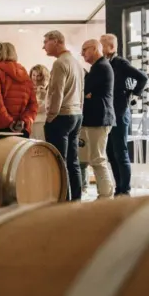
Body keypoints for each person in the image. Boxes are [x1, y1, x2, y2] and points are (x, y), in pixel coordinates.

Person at [100, 33, 148, 196]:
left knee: (120, 152)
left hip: (120, 113)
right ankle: (119, 188)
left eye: (102, 45)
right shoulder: (106, 64)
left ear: (111, 47)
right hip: (109, 114)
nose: (100, 48)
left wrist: (133, 94)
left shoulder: (120, 63)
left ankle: (125, 190)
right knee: (111, 152)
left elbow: (142, 77)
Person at [42, 30, 84, 201]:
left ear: (56, 41)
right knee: (73, 161)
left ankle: (63, 201)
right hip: (76, 115)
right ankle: (76, 200)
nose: (43, 46)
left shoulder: (60, 63)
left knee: (58, 161)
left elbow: (56, 93)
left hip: (62, 116)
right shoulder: (76, 62)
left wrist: (51, 116)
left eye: (45, 42)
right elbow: (81, 92)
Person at [80, 38, 116, 199]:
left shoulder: (100, 67)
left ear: (94, 48)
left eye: (84, 49)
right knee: (95, 158)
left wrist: (88, 95)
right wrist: (88, 95)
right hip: (97, 119)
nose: (82, 53)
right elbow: (86, 93)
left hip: (99, 119)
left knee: (98, 159)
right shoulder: (99, 67)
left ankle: (106, 195)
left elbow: (84, 90)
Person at [0, 41, 37, 136]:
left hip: (0, 127)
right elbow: (33, 104)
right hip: (21, 128)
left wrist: (9, 122)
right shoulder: (24, 73)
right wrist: (24, 121)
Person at [29, 64, 50, 140]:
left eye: (38, 76)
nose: (35, 78)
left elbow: (43, 107)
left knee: (41, 143)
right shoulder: (28, 88)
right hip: (30, 122)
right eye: (33, 75)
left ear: (43, 77)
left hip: (41, 121)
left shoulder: (46, 90)